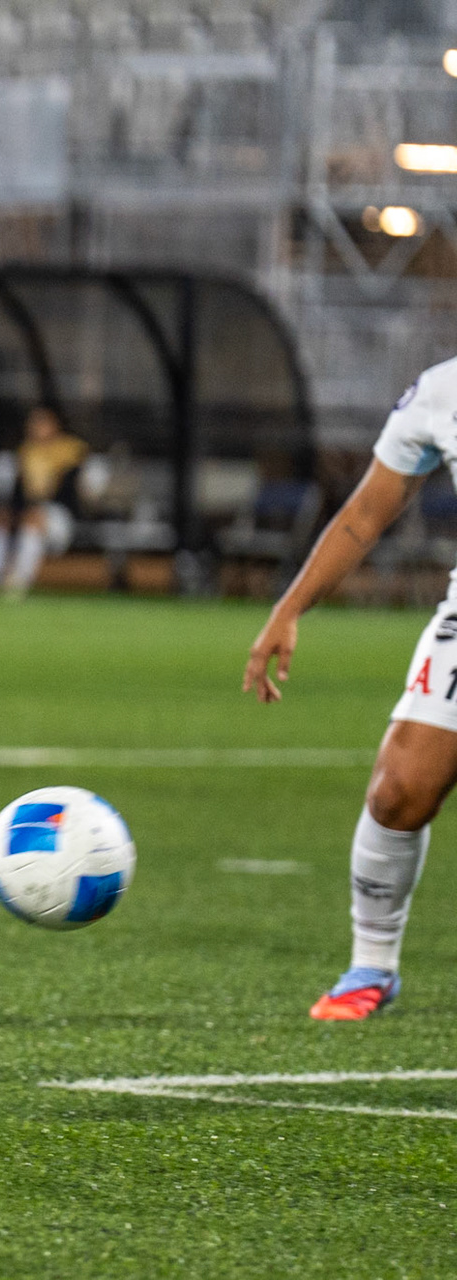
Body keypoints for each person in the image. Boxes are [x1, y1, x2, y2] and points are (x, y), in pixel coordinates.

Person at [243, 356, 457, 1020]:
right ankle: (372, 965)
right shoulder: (441, 390)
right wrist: (290, 608)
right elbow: (365, 513)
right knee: (399, 791)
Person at [0, 405, 88, 598]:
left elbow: (78, 496)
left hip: (60, 518)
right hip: (26, 513)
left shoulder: (71, 451)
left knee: (33, 517)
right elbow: (14, 496)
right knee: (0, 516)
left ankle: (18, 582)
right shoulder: (23, 452)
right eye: (33, 422)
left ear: (55, 425)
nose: (36, 427)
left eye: (42, 422)